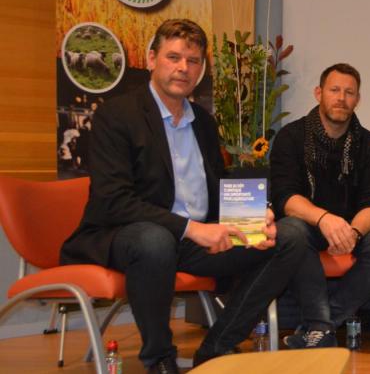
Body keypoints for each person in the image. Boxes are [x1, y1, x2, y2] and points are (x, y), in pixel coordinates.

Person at [59, 19, 306, 373]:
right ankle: (160, 360)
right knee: (155, 240)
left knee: (290, 235)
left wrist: (254, 216)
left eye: (192, 61)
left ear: (202, 68)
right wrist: (191, 229)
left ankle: (216, 349)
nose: (182, 68)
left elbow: (215, 188)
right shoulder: (118, 115)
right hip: (126, 235)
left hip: (194, 240)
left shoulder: (204, 122)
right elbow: (114, 200)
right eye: (173, 57)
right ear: (151, 58)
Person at [269, 63, 370, 348]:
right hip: (306, 225)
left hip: (351, 228)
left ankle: (319, 326)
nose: (341, 98)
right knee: (290, 231)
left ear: (358, 99)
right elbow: (285, 197)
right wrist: (325, 219)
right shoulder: (290, 138)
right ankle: (320, 326)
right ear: (319, 93)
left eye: (349, 92)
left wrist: (353, 232)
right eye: (334, 90)